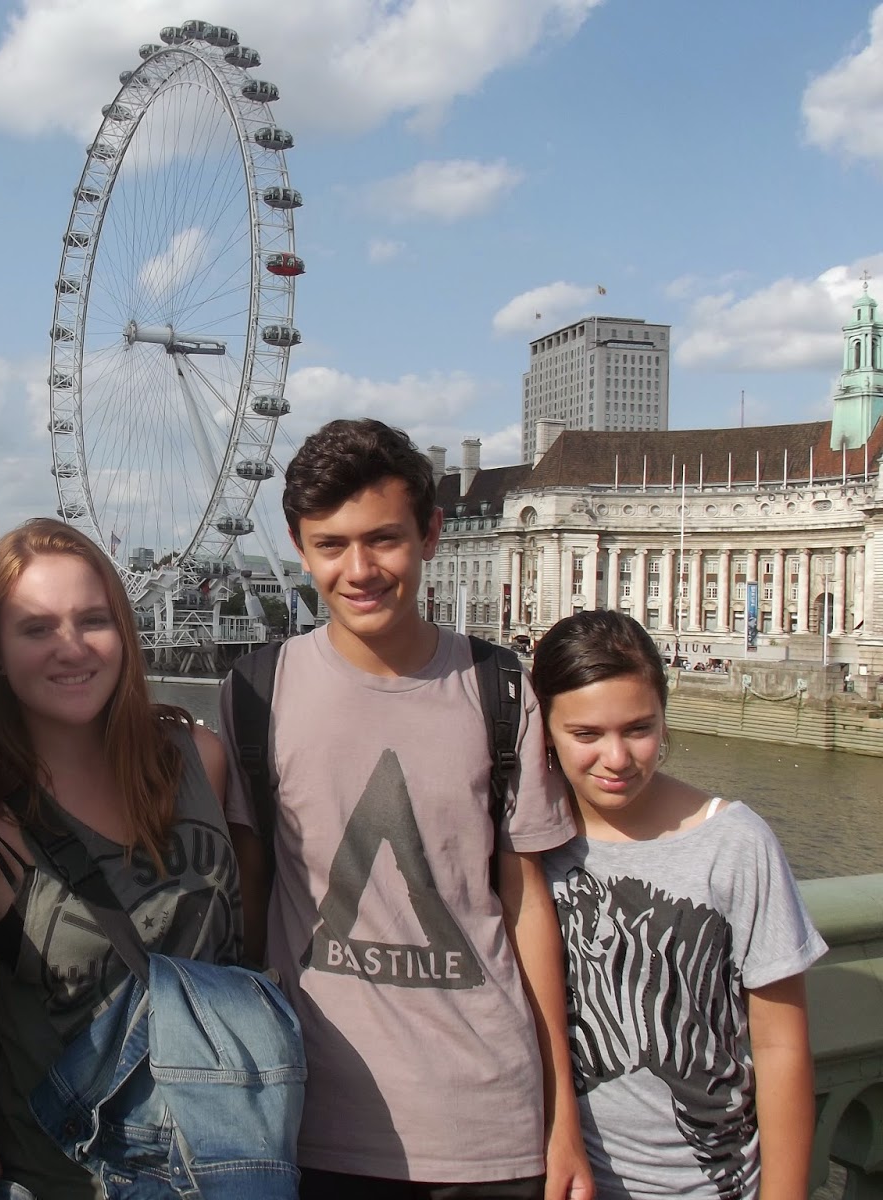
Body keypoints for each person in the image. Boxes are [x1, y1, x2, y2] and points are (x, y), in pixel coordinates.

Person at [219, 418, 593, 1199]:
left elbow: (526, 904)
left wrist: (562, 1116)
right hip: (309, 1123)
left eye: (384, 540)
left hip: (487, 1126)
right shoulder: (255, 694)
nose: (359, 570)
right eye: (331, 545)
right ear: (298, 547)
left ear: (431, 534)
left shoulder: (500, 689)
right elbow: (249, 897)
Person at [0, 517, 241, 1199]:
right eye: (37, 628)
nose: (71, 648)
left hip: (231, 1157)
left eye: (93, 620)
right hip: (66, 1176)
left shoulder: (199, 759)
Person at [532, 610, 826, 1200]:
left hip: (711, 1185)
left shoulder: (735, 843)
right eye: (586, 735)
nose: (617, 758)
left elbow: (780, 1046)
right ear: (545, 732)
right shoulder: (528, 841)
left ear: (665, 718)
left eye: (638, 729)